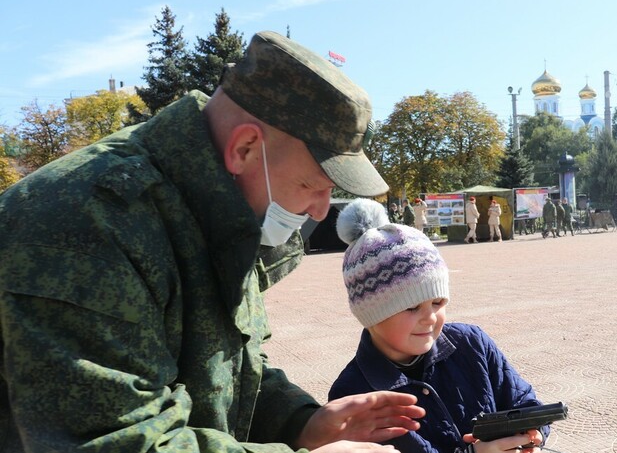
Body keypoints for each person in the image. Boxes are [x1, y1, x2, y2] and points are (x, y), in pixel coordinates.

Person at [0, 31, 425, 451]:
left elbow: (221, 367)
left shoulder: (216, 208)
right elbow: (112, 441)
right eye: (313, 184)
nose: (321, 210)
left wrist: (299, 422)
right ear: (244, 148)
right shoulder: (88, 225)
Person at [330, 199, 550, 453]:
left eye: (438, 302)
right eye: (412, 307)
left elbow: (522, 399)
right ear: (371, 313)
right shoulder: (351, 395)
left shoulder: (471, 342)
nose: (431, 318)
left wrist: (532, 431)